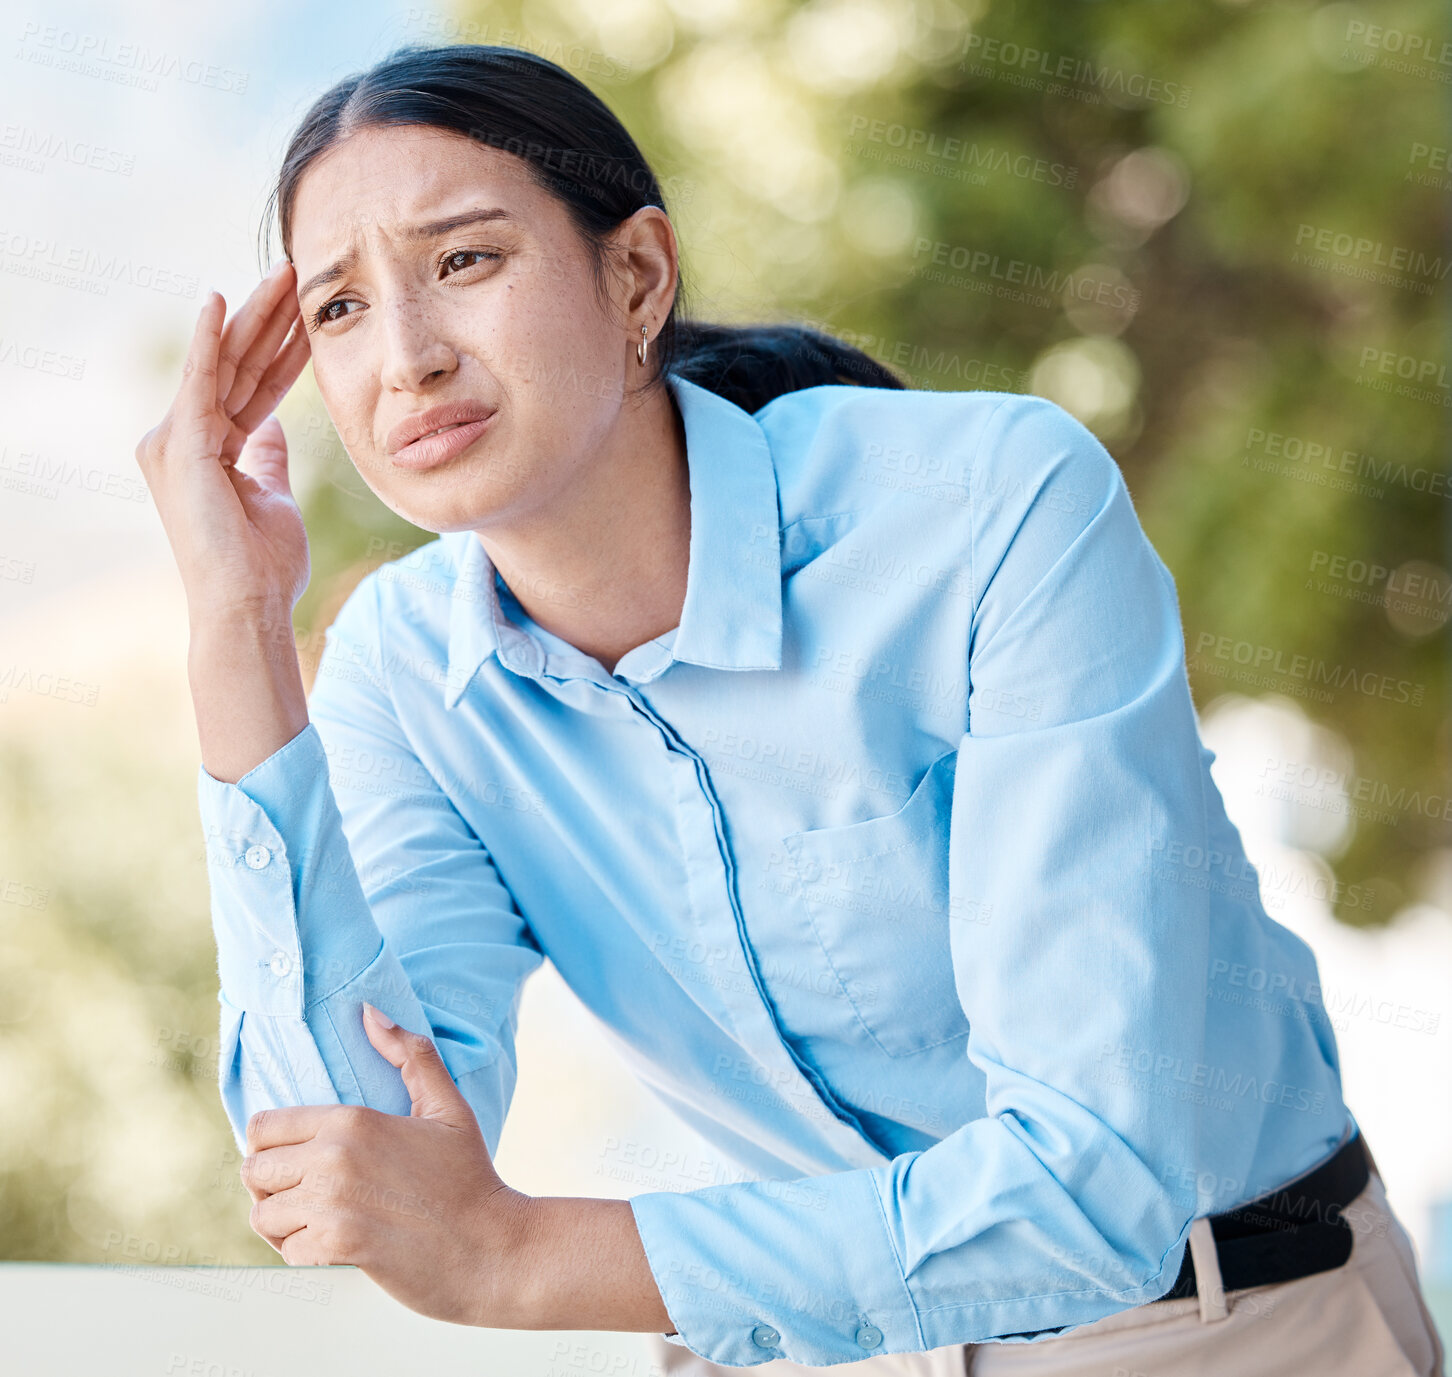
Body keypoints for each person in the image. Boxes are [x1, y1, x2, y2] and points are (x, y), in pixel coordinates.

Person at [134, 43, 1444, 1377]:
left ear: (635, 274)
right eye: (342, 307)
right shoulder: (404, 676)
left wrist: (518, 1255)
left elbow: (1092, 1190)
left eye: (465, 261)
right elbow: (358, 1165)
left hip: (1222, 1327)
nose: (405, 358)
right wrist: (235, 625)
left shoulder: (995, 509)